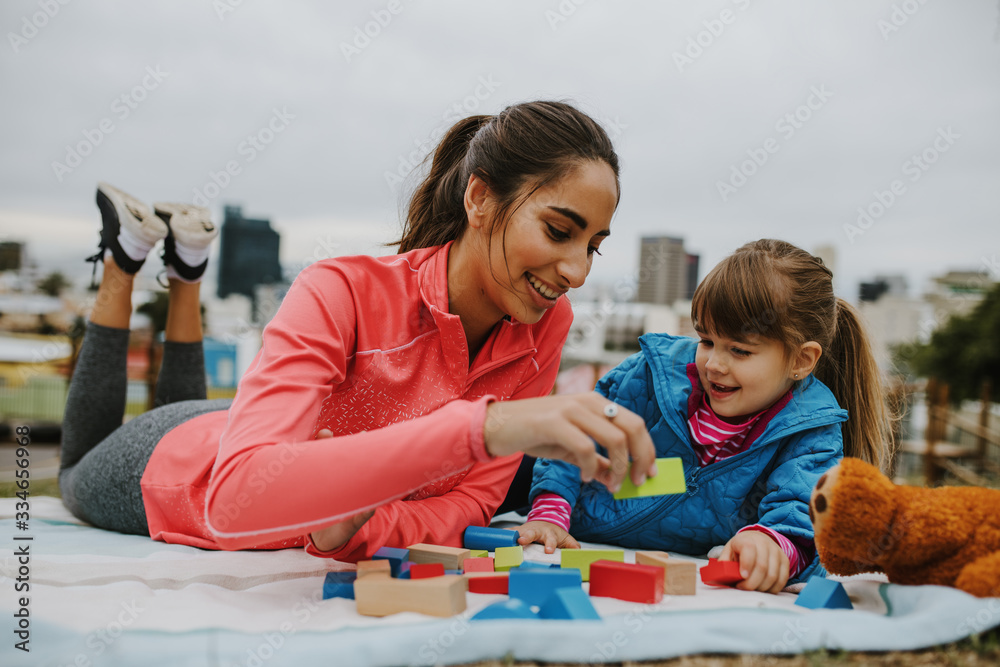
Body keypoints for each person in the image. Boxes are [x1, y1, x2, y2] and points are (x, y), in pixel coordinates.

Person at [58, 101, 657, 562]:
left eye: (594, 248)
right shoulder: (340, 290)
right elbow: (236, 496)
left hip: (238, 427)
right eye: (559, 232)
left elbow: (470, 504)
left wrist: (353, 526)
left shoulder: (546, 324)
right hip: (178, 467)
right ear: (479, 198)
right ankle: (124, 261)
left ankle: (186, 271)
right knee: (68, 468)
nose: (576, 270)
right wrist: (487, 426)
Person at [518, 239, 891, 593]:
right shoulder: (650, 374)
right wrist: (550, 510)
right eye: (707, 341)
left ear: (800, 360)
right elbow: (576, 437)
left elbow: (801, 515)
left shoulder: (811, 430)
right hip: (575, 533)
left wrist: (772, 546)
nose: (714, 364)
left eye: (740, 351)